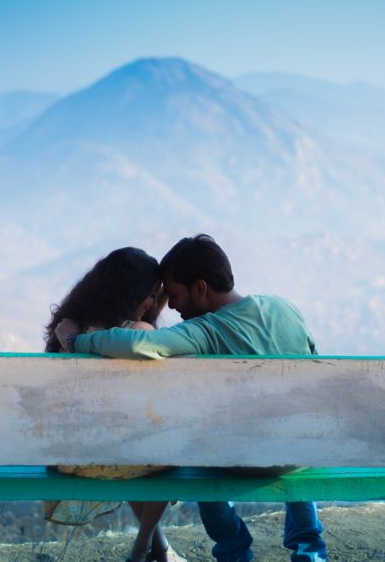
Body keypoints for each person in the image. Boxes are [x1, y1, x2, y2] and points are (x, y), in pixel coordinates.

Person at [62, 234, 328, 562]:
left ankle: (233, 550)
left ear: (200, 289)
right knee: (296, 433)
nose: (171, 305)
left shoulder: (206, 330)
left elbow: (138, 345)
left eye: (173, 295)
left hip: (245, 460)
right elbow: (315, 366)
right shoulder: (285, 307)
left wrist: (76, 341)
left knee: (199, 448)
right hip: (302, 452)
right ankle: (309, 551)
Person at [45, 246, 183, 562]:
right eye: (150, 295)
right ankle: (142, 546)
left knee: (130, 445)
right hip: (117, 454)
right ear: (129, 294)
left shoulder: (70, 329)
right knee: (163, 448)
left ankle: (158, 548)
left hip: (73, 454)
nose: (152, 302)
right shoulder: (139, 333)